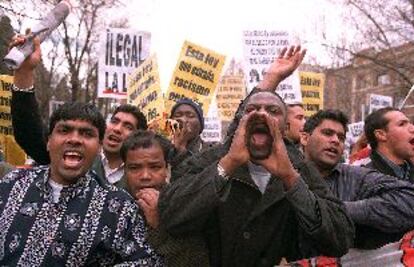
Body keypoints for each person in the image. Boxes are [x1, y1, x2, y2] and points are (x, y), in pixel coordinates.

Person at [158, 46, 355, 266]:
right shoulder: (208, 160)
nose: (261, 114)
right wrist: (228, 164)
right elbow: (172, 216)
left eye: (273, 111)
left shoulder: (299, 168)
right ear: (241, 120)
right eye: (253, 110)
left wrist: (291, 178)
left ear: (285, 126)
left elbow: (340, 238)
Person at [0, 102, 162, 266]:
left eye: (86, 133)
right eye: (64, 130)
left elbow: (147, 261)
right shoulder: (13, 184)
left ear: (99, 146)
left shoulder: (119, 207)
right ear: (49, 141)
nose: (75, 139)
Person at [9, 33, 147, 186]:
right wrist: (24, 72)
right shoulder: (71, 155)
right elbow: (30, 134)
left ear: (138, 136)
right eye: (115, 121)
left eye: (128, 126)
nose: (117, 129)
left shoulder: (143, 176)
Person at [301, 109, 414, 249]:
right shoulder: (282, 177)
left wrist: (337, 210)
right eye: (327, 133)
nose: (335, 140)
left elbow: (409, 201)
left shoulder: (358, 176)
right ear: (305, 138)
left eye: (341, 137)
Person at [120, 130, 209, 266]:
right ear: (125, 170)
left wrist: (159, 225)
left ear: (166, 168)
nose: (145, 176)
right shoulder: (112, 205)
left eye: (155, 167)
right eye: (135, 168)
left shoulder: (184, 205)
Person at [364, 107, 414, 181]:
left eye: (410, 123)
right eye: (402, 124)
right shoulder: (364, 180)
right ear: (381, 135)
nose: (412, 128)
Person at [168, 98, 215, 167]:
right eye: (178, 115)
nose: (183, 120)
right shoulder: (162, 150)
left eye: (190, 116)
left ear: (200, 125)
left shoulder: (212, 151)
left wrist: (181, 150)